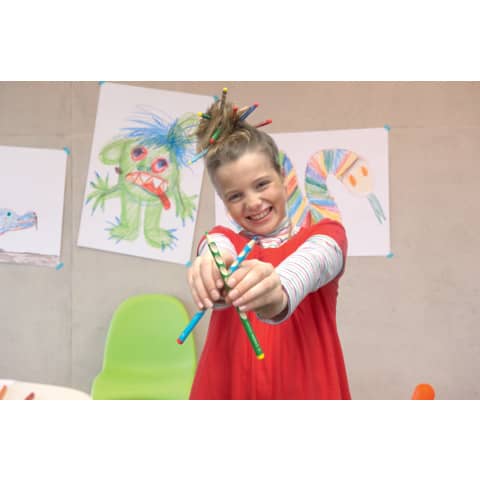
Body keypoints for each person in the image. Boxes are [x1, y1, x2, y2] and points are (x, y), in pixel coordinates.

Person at [187, 92, 351, 399]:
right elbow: (215, 250)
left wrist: (277, 291)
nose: (252, 203)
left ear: (282, 176)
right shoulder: (220, 239)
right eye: (235, 196)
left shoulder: (327, 236)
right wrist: (214, 272)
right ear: (223, 201)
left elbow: (313, 263)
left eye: (262, 184)